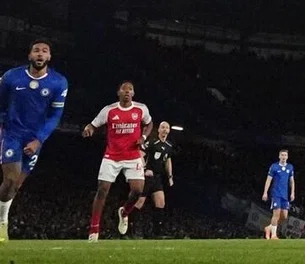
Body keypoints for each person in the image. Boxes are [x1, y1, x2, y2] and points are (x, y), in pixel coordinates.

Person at [0, 39, 68, 242]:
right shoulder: (12, 77)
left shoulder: (58, 82)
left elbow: (55, 115)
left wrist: (39, 139)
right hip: (11, 134)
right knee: (10, 180)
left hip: (34, 139)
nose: (40, 54)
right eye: (36, 50)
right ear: (30, 55)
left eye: (44, 51)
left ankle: (3, 218)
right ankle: (2, 223)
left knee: (15, 187)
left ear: (49, 57)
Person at [82, 81, 153, 242]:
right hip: (112, 156)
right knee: (102, 190)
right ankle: (94, 230)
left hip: (133, 155)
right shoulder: (109, 110)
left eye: (130, 90)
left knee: (137, 191)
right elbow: (93, 124)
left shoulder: (141, 109)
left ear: (133, 94)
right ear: (118, 93)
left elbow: (149, 123)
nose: (127, 92)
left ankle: (125, 212)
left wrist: (143, 137)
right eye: (124, 89)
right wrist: (89, 130)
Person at [135, 121, 175, 237]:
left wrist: (170, 177)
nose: (164, 129)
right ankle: (129, 229)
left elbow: (168, 161)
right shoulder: (152, 142)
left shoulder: (169, 146)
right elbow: (140, 153)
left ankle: (157, 233)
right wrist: (145, 169)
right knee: (139, 203)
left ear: (169, 131)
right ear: (158, 130)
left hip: (157, 178)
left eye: (167, 128)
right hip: (147, 178)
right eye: (162, 127)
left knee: (161, 203)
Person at [261, 149, 295, 240]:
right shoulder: (274, 167)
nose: (284, 157)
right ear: (279, 156)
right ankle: (274, 235)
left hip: (285, 194)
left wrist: (292, 192)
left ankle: (269, 227)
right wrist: (265, 192)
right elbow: (268, 180)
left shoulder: (290, 167)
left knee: (284, 216)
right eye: (282, 155)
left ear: (287, 157)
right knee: (276, 214)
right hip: (276, 193)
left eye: (285, 155)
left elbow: (292, 181)